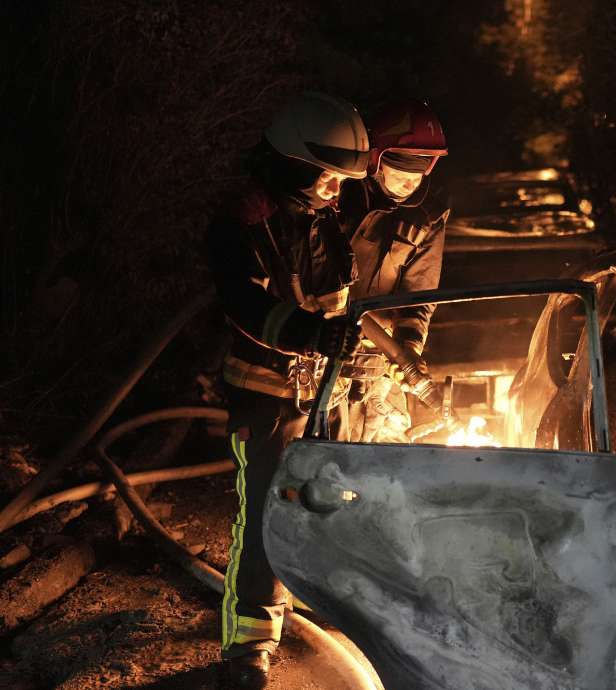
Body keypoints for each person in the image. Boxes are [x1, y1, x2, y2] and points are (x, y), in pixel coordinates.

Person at [204, 91, 367, 688]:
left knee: (335, 503)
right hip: (267, 397)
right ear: (296, 161)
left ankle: (331, 604)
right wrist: (307, 334)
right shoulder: (244, 221)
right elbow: (245, 300)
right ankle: (247, 648)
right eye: (329, 177)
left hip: (327, 392)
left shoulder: (321, 217)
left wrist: (353, 354)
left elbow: (339, 299)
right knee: (269, 518)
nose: (336, 190)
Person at [337, 100, 450, 440]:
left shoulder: (426, 216)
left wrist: (409, 349)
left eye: (416, 176)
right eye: (400, 173)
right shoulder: (337, 197)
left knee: (385, 460)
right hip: (322, 351)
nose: (407, 185)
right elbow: (324, 288)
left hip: (378, 365)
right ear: (376, 160)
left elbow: (419, 297)